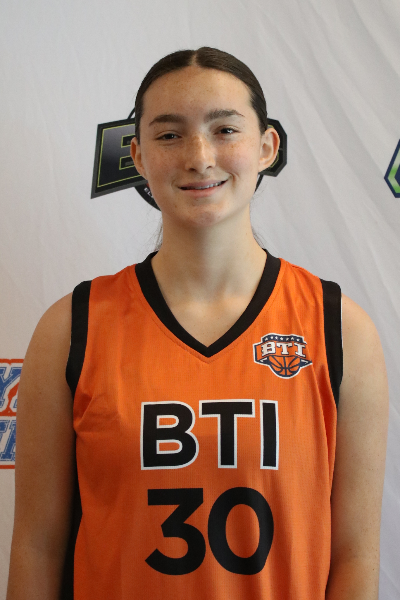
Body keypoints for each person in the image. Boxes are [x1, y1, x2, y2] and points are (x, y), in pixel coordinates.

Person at [7, 47, 388, 600]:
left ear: (267, 147)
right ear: (137, 156)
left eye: (225, 130)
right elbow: (37, 547)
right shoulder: (71, 328)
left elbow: (354, 556)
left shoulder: (340, 329)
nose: (200, 156)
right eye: (169, 135)